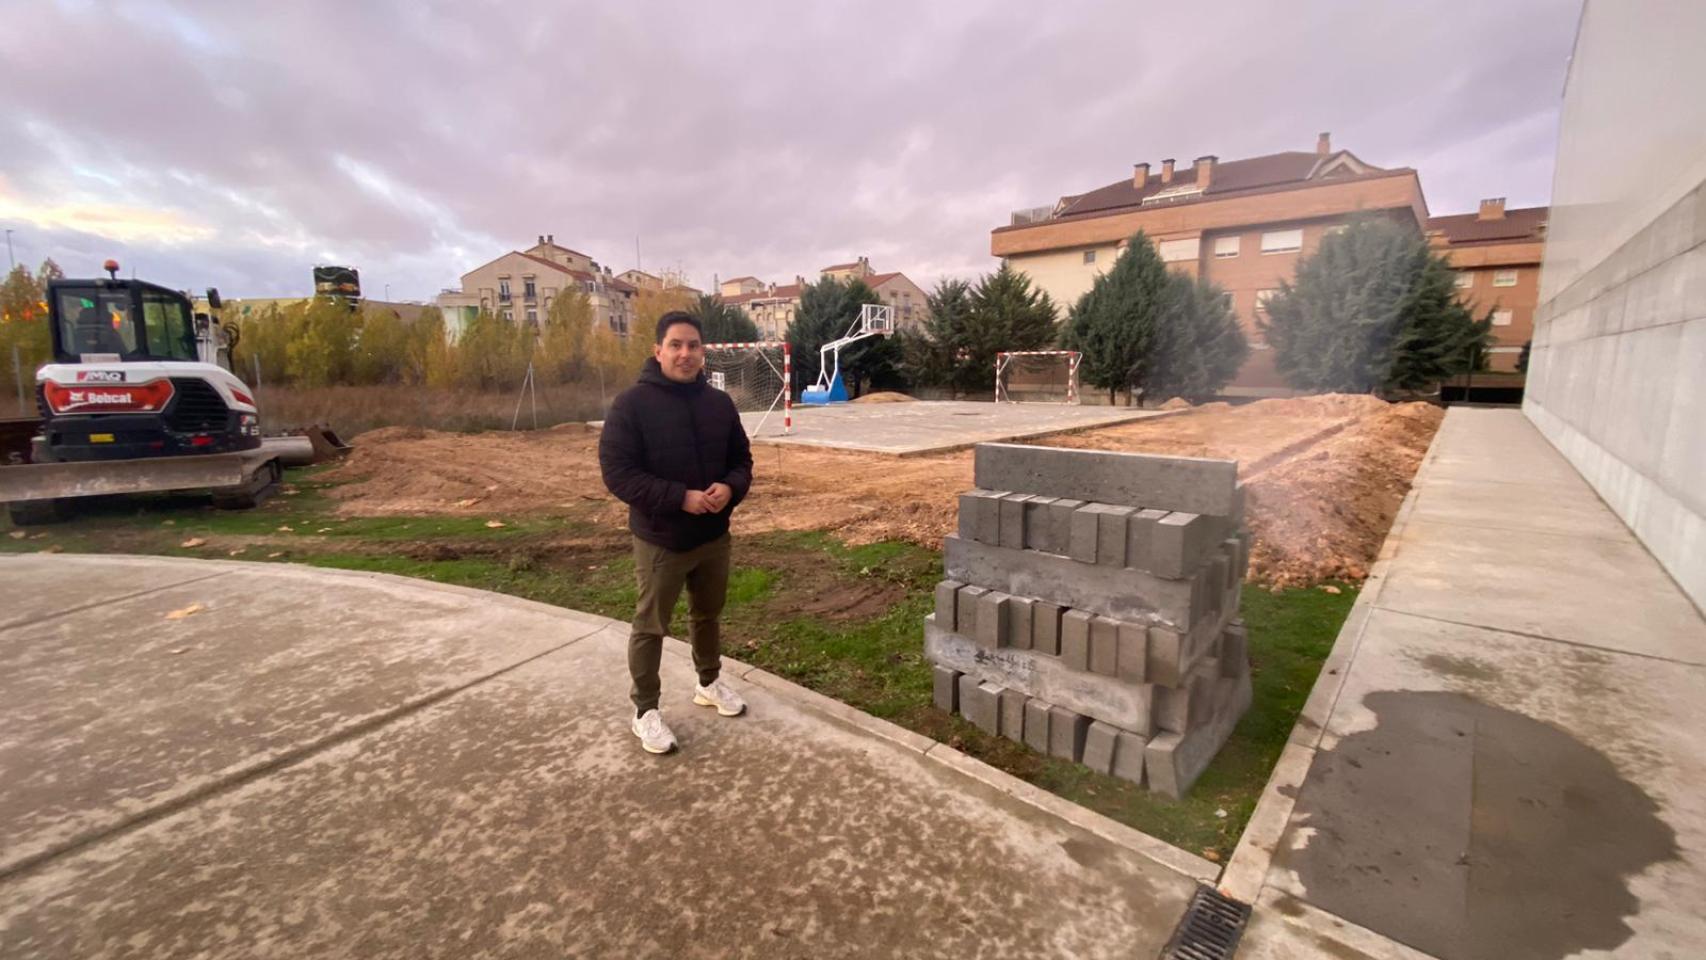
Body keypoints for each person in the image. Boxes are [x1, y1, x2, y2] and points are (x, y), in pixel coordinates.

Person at [598, 310, 753, 754]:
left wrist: (730, 487)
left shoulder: (719, 404)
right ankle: (645, 711)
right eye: (676, 345)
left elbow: (742, 461)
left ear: (703, 352)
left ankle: (708, 683)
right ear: (658, 351)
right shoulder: (632, 405)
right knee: (651, 627)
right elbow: (619, 474)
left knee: (707, 616)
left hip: (713, 538)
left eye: (693, 346)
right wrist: (677, 497)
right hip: (661, 540)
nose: (685, 354)